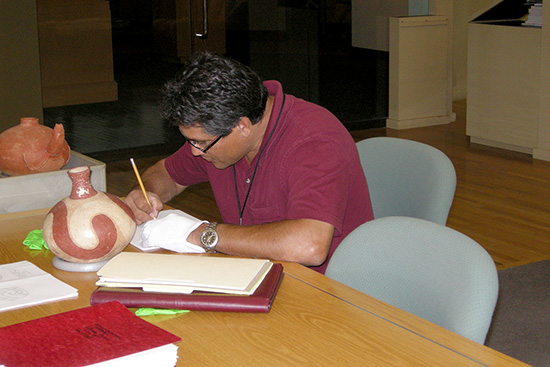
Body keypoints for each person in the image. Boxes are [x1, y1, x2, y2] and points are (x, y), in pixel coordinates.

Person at [124, 52, 373, 274]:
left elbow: (308, 246)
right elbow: (167, 173)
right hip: (255, 271)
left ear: (242, 126)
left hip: (328, 290)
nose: (195, 152)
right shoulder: (221, 132)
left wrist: (204, 234)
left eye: (200, 143)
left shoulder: (314, 141)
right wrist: (146, 192)